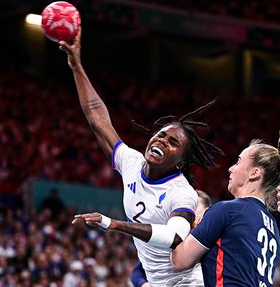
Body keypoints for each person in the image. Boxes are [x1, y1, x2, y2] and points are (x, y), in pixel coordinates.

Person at [59, 27, 223, 286]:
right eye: (160, 134)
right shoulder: (132, 163)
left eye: (172, 143)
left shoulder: (182, 193)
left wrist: (114, 224)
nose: (161, 141)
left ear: (180, 162)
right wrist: (76, 66)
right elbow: (97, 118)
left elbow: (175, 236)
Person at [169, 112, 280, 287]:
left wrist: (176, 223)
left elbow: (179, 260)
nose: (231, 168)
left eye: (238, 162)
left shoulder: (228, 210)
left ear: (255, 173)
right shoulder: (273, 230)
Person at [130, 189, 212, 287]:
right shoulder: (173, 237)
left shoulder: (213, 241)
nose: (190, 210)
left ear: (207, 210)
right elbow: (137, 272)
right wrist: (143, 284)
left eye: (195, 206)